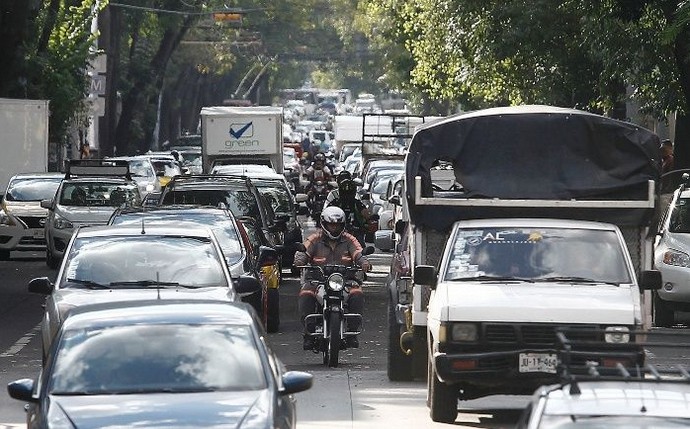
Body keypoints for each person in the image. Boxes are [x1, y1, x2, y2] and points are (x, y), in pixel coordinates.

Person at [294, 206, 372, 350]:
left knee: (357, 294)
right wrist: (300, 261)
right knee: (305, 295)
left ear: (343, 225)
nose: (334, 228)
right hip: (317, 280)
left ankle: (352, 333)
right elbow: (303, 252)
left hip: (345, 281)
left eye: (337, 225)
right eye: (331, 224)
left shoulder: (349, 239)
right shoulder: (314, 239)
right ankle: (308, 333)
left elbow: (358, 253)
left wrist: (364, 263)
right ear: (324, 223)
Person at [325, 172, 378, 246]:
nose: (347, 196)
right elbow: (326, 212)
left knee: (361, 246)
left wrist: (371, 218)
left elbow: (365, 212)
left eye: (349, 192)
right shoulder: (335, 202)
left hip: (356, 232)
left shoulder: (357, 203)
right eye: (345, 193)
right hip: (336, 232)